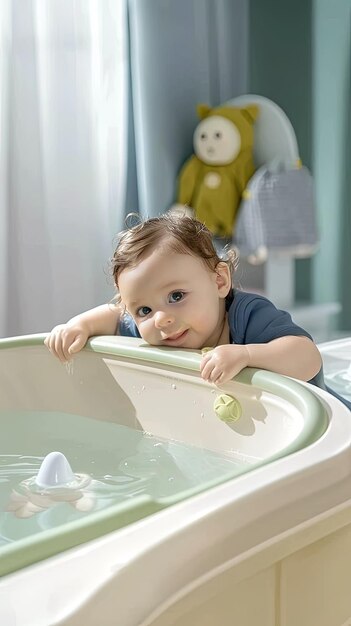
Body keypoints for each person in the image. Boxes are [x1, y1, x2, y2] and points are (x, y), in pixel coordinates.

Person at [45, 213, 350, 409]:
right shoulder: (156, 328)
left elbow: (307, 357)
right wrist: (78, 325)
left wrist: (245, 355)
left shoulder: (246, 315)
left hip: (327, 427)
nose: (160, 318)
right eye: (144, 309)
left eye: (176, 295)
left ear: (219, 281)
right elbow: (114, 315)